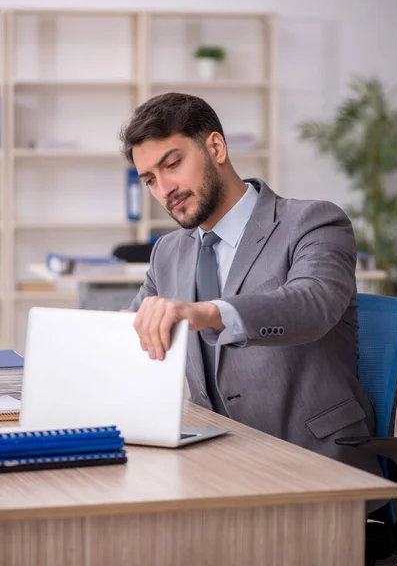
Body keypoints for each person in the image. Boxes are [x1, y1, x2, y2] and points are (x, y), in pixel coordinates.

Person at [120, 91, 382, 481]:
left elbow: (312, 304)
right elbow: (132, 330)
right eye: (150, 180)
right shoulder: (169, 252)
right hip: (216, 464)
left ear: (216, 147)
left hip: (315, 466)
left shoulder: (313, 222)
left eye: (172, 164)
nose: (164, 190)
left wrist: (207, 312)